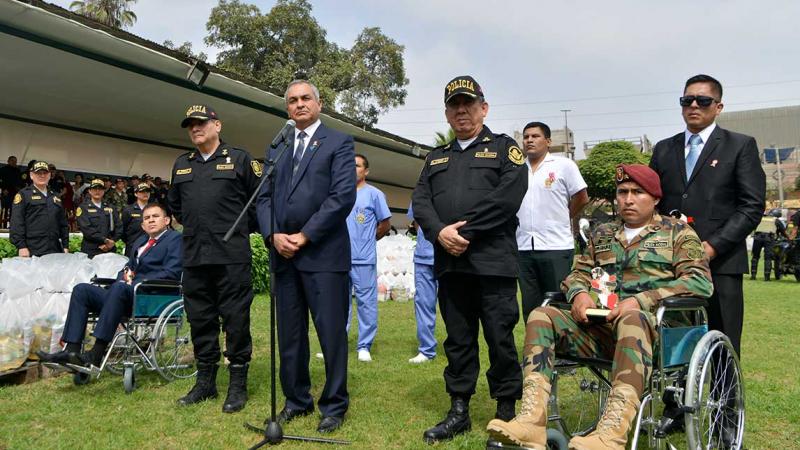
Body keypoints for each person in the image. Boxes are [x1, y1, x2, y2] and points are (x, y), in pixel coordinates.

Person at [486, 164, 713, 450]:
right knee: (542, 314)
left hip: (658, 337)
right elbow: (577, 274)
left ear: (655, 198)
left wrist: (642, 299)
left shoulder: (677, 233)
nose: (627, 199)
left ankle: (611, 434)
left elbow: (700, 282)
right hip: (601, 331)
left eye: (637, 192)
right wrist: (580, 294)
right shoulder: (602, 233)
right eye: (622, 192)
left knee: (631, 316)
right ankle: (532, 420)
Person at [412, 75, 528, 443]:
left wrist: (464, 230)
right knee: (458, 339)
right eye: (455, 105)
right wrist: (439, 232)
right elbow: (420, 201)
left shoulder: (504, 150)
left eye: (469, 104)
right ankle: (458, 409)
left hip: (492, 263)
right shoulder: (436, 158)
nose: (462, 111)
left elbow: (508, 197)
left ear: (484, 108)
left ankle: (506, 411)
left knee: (500, 338)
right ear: (447, 113)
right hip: (451, 264)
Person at [256, 80, 356, 434]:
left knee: (330, 333)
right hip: (283, 255)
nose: (299, 105)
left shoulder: (338, 142)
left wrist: (305, 234)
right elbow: (263, 196)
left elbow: (342, 196)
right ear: (287, 108)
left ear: (319, 103)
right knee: (290, 335)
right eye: (293, 100)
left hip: (324, 255)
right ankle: (296, 400)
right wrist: (273, 234)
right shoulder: (278, 145)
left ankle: (334, 404)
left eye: (305, 99)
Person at [650, 74, 765, 356]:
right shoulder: (664, 148)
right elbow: (651, 201)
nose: (694, 106)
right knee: (673, 340)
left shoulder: (739, 145)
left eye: (703, 100)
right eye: (686, 100)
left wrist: (711, 247)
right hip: (670, 263)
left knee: (721, 340)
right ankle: (675, 401)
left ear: (718, 106)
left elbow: (751, 205)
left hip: (721, 262)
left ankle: (725, 401)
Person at [168, 104, 261, 413]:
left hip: (231, 257)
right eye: (191, 125)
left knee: (236, 320)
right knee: (201, 320)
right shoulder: (182, 164)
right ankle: (205, 383)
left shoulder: (240, 159)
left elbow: (258, 203)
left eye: (202, 123)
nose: (196, 128)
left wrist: (235, 233)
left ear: (217, 125)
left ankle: (237, 386)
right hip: (195, 256)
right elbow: (177, 208)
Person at [37, 203, 182, 371]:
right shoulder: (140, 242)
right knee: (82, 290)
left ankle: (96, 354)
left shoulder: (175, 239)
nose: (151, 221)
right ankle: (71, 351)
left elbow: (172, 273)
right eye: (147, 218)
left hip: (154, 296)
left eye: (155, 217)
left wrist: (133, 283)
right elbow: (128, 268)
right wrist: (125, 276)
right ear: (142, 225)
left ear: (166, 220)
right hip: (127, 295)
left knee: (119, 288)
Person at [516, 121, 589, 322]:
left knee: (559, 304)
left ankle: (561, 350)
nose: (529, 140)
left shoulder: (564, 165)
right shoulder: (516, 169)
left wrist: (564, 216)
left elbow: (582, 197)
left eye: (535, 136)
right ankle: (535, 351)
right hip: (523, 247)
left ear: (548, 141)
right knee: (531, 307)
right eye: (526, 136)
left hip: (555, 246)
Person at [345, 153, 391, 362]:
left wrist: (367, 242)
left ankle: (364, 346)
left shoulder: (374, 194)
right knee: (337, 304)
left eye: (357, 166)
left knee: (366, 303)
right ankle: (337, 342)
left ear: (366, 171)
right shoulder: (338, 192)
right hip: (338, 259)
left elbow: (385, 224)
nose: (352, 169)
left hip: (363, 259)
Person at [9, 160, 69, 257]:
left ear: (49, 175)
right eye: (38, 173)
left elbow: (63, 224)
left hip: (55, 249)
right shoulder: (24, 194)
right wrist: (21, 246)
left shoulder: (56, 197)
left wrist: (65, 246)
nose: (42, 176)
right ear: (31, 175)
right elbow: (17, 222)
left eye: (45, 173)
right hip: (32, 249)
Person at [407, 203, 438, 364]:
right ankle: (426, 349)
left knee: (455, 306)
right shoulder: (420, 193)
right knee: (424, 303)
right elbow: (416, 221)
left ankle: (459, 346)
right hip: (423, 257)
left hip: (450, 255)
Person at [76, 178, 121, 258]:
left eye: (100, 189)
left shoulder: (111, 207)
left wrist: (112, 241)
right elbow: (87, 229)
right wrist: (105, 240)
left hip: (109, 249)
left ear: (104, 191)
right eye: (94, 189)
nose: (97, 191)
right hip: (91, 249)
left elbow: (119, 226)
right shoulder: (83, 208)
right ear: (89, 191)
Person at [121, 183, 152, 259]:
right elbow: (122, 230)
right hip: (132, 246)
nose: (145, 194)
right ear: (136, 194)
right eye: (142, 191)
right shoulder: (128, 210)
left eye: (147, 191)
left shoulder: (154, 209)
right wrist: (130, 241)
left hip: (150, 247)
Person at [1, 155, 25, 228]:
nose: (14, 163)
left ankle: (12, 226)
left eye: (15, 161)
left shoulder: (17, 171)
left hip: (15, 193)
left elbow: (20, 181)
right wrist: (3, 188)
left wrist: (19, 189)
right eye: (12, 161)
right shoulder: (3, 169)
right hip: (6, 192)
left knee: (14, 210)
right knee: (4, 210)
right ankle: (3, 226)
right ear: (8, 161)